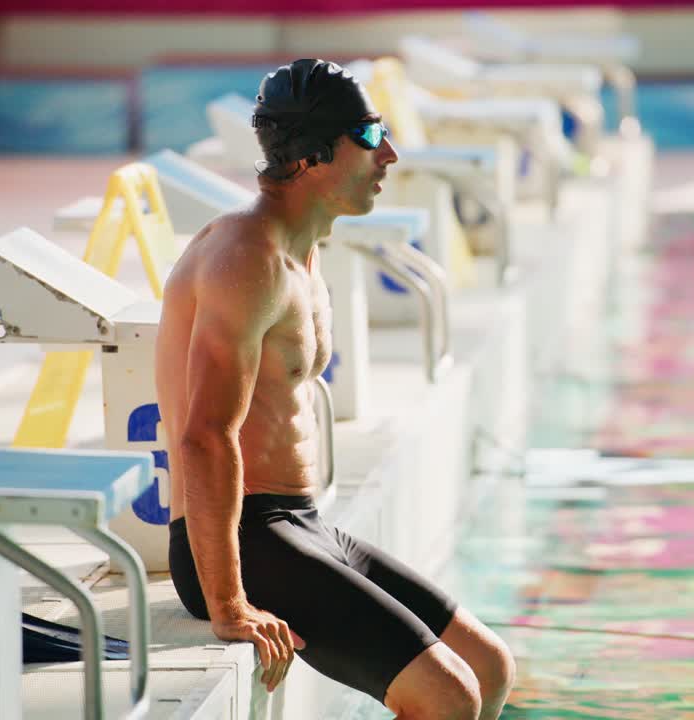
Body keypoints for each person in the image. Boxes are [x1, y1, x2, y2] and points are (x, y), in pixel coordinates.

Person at [154, 59, 515, 719]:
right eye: (373, 137)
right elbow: (205, 434)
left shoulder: (305, 249)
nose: (392, 155)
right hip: (247, 538)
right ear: (316, 155)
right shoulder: (246, 259)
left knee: (488, 667)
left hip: (304, 524)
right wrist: (229, 604)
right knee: (447, 697)